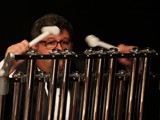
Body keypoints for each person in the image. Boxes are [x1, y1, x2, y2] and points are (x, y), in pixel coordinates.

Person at [0, 13, 138, 120]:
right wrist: (6, 68)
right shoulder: (19, 77)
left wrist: (133, 67)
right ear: (34, 47)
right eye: (50, 43)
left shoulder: (87, 73)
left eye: (65, 42)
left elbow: (122, 104)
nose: (59, 49)